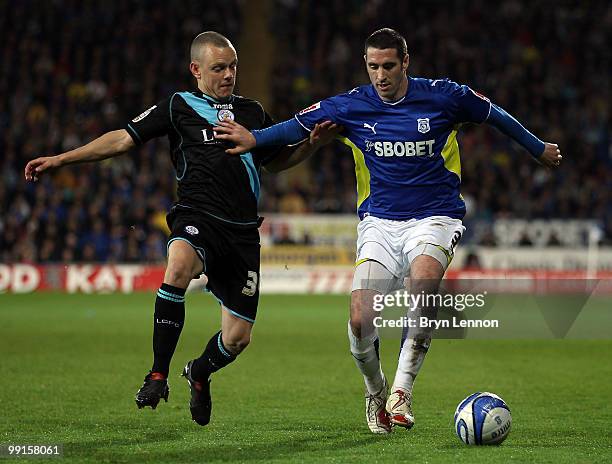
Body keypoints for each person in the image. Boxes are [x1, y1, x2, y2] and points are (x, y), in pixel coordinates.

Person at [212, 28, 562, 434]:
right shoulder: (350, 106)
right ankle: (375, 392)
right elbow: (294, 126)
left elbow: (493, 114)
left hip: (435, 216)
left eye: (389, 66)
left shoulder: (443, 96)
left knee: (424, 281)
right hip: (379, 222)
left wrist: (538, 148)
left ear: (405, 63)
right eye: (373, 66)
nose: (381, 75)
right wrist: (254, 138)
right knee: (361, 317)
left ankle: (401, 391)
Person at [24, 31, 339, 426]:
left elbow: (275, 162)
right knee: (177, 267)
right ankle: (157, 374)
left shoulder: (253, 111)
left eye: (233, 67)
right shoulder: (178, 105)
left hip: (241, 232)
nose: (228, 75)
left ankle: (199, 372)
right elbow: (123, 138)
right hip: (197, 216)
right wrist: (62, 159)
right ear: (196, 70)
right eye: (218, 68)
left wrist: (312, 144)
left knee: (237, 339)